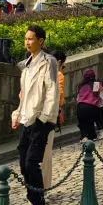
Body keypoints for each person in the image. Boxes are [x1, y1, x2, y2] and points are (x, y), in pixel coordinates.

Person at [11, 25, 59, 205]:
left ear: (41, 40)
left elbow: (51, 90)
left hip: (41, 119)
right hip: (26, 118)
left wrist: (46, 117)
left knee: (32, 163)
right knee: (23, 164)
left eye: (31, 39)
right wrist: (17, 114)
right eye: (25, 39)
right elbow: (24, 95)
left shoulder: (49, 62)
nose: (27, 42)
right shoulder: (26, 65)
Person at [41, 50, 66, 190]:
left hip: (41, 117)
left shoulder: (56, 75)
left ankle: (43, 186)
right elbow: (59, 97)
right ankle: (44, 185)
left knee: (43, 155)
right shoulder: (57, 74)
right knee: (45, 154)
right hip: (46, 116)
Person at [76, 69, 103, 141]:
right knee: (90, 120)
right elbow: (101, 96)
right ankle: (94, 135)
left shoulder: (80, 85)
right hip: (91, 107)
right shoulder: (96, 84)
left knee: (83, 123)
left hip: (80, 107)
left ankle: (84, 137)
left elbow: (78, 97)